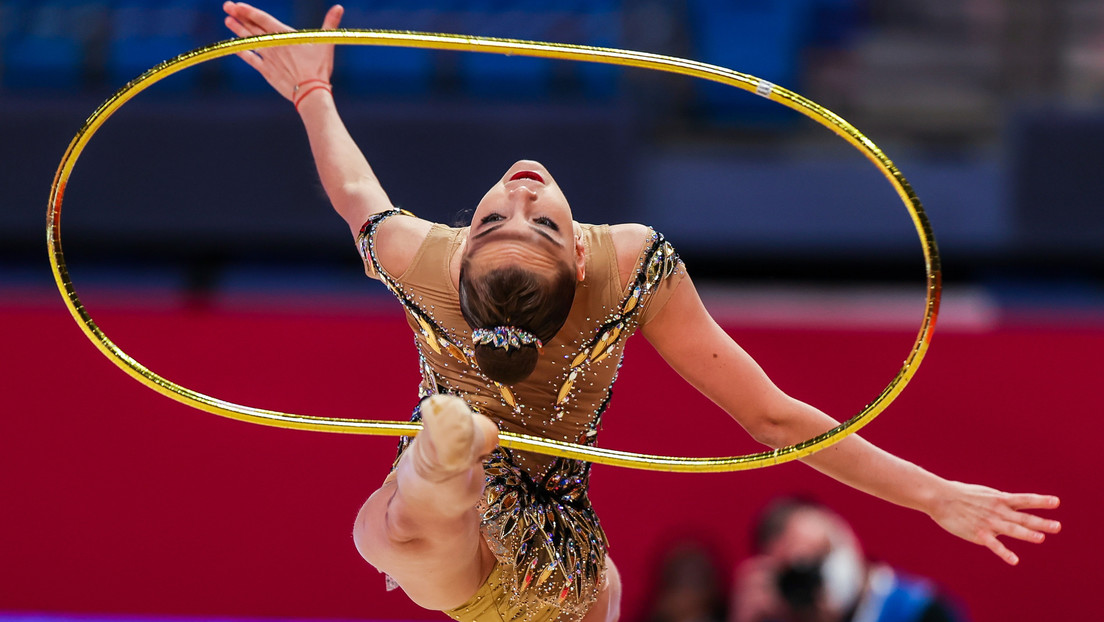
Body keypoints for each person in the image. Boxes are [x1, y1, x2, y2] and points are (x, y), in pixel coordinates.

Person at [221, 3, 1062, 622]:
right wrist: (931, 497)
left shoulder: (423, 255)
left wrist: (314, 95)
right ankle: (451, 458)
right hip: (564, 556)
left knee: (404, 539)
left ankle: (447, 457)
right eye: (519, 216)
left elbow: (355, 193)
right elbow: (772, 420)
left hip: (539, 555)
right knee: (426, 538)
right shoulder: (626, 266)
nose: (519, 192)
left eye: (522, 217)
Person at [731, 497, 966, 622]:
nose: (815, 578)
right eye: (798, 571)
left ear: (844, 534)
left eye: (820, 555)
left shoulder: (921, 609)